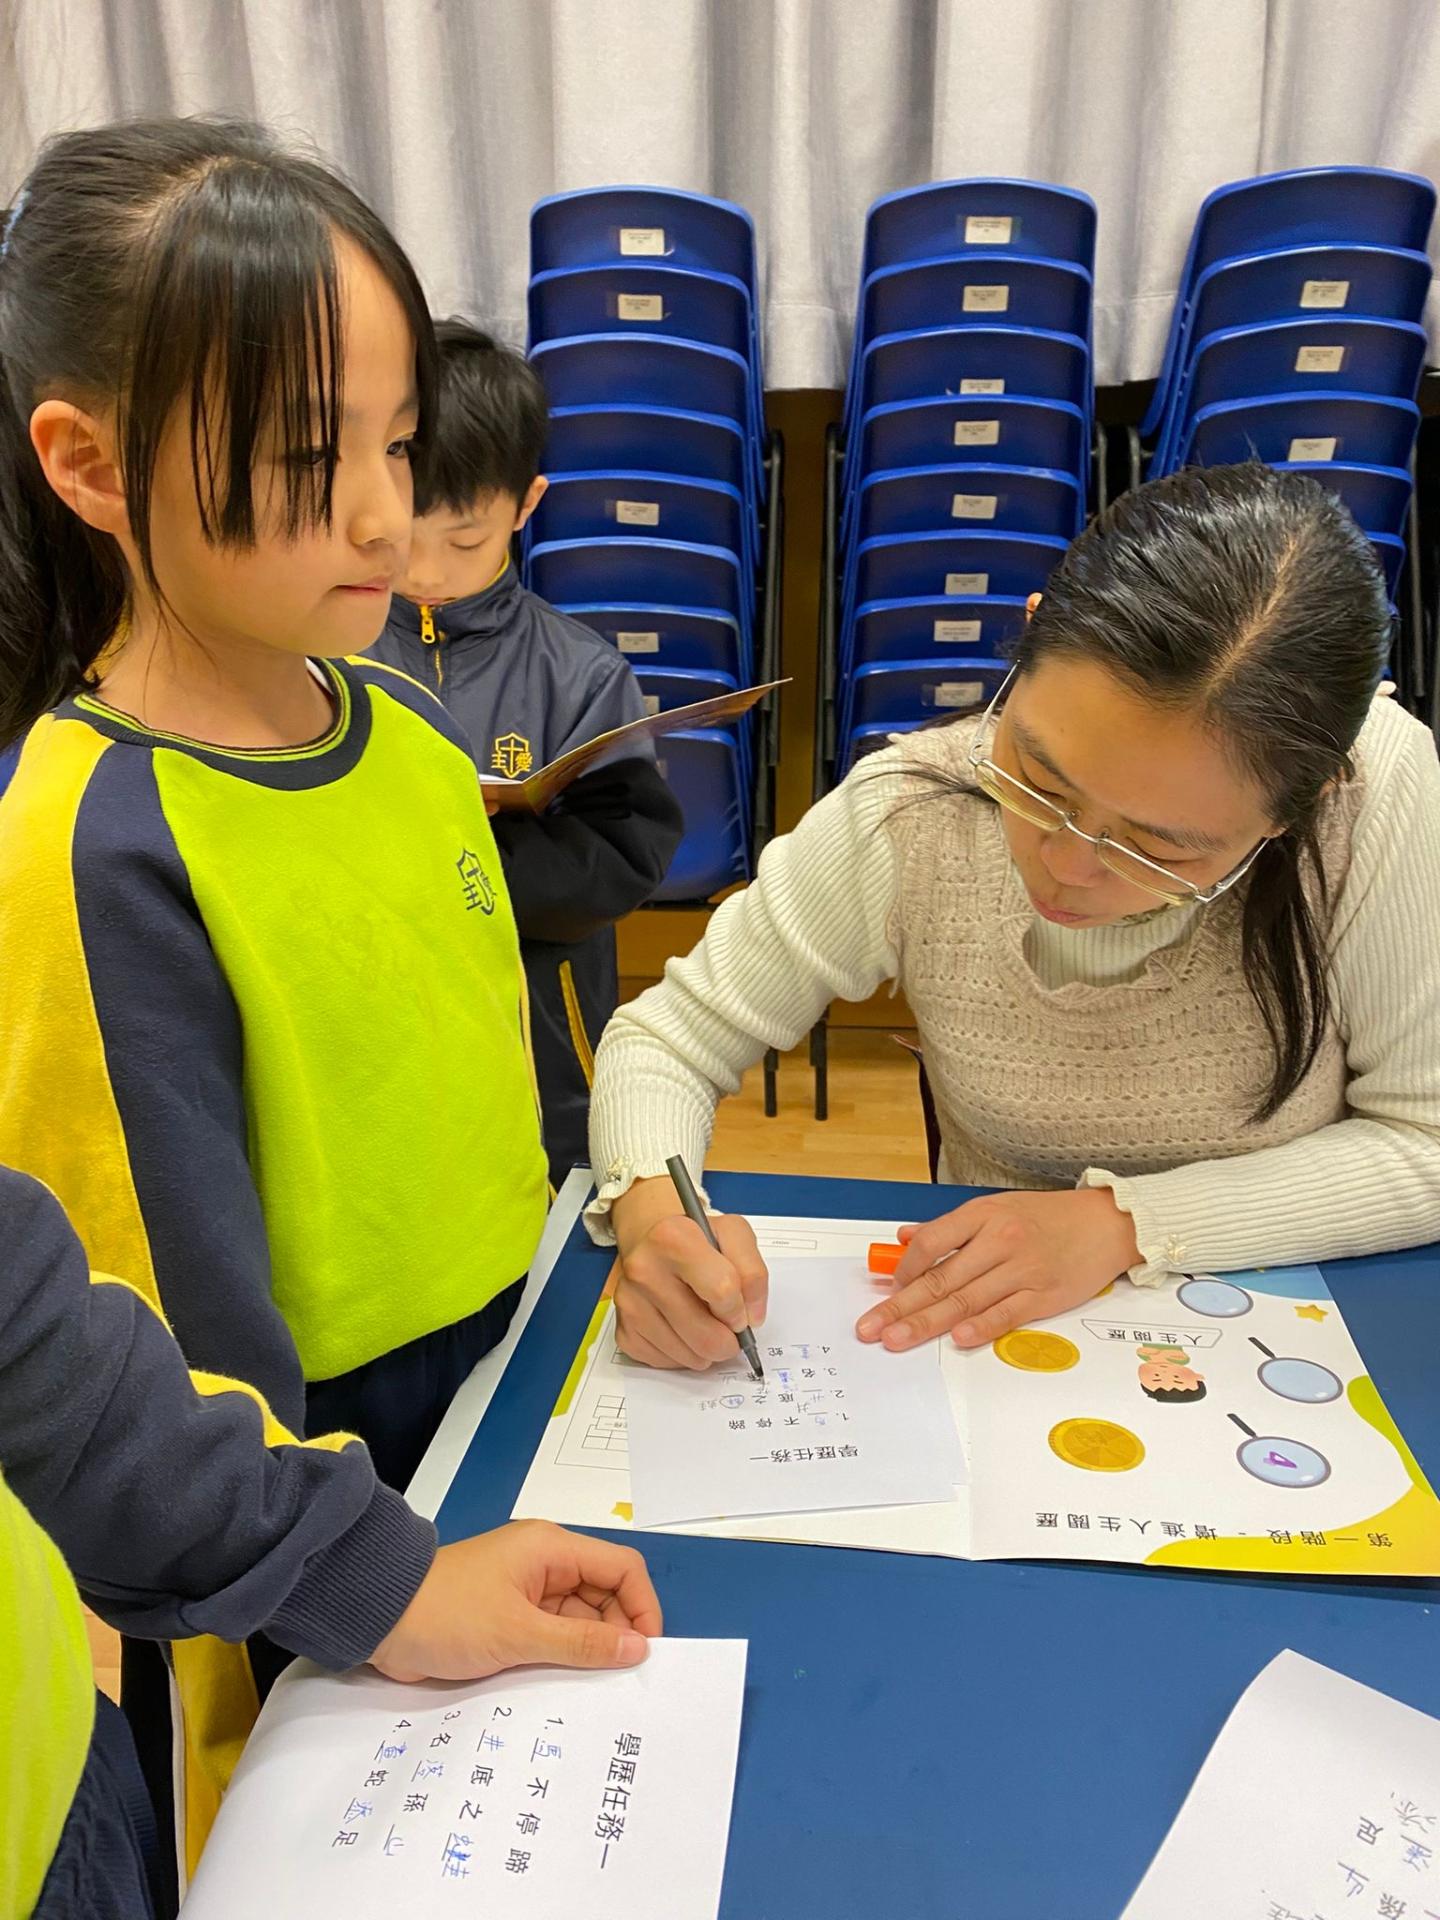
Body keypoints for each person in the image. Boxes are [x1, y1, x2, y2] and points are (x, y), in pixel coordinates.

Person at [0, 113, 548, 1873]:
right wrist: (340, 1571)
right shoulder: (90, 839)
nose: (390, 514)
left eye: (397, 441)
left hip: (520, 1386)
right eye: (313, 455)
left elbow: (486, 1059)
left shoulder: (401, 724)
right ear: (91, 466)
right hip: (305, 1515)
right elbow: (146, 1335)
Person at [585, 464, 1440, 1369]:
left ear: (1307, 799)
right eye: (1038, 779)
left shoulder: (1376, 796)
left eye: (1158, 847)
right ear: (1029, 638)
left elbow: (1425, 1141)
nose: (1066, 866)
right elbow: (666, 1042)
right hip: (981, 1355)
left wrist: (1122, 1225)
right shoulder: (917, 805)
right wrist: (655, 1216)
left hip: (1285, 1332)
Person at [0, 1164, 660, 1914]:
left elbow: (28, 1332)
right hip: (305, 1380)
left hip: (51, 1791)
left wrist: (373, 1577)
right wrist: (346, 1567)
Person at [371, 321, 684, 1187]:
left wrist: (460, 865)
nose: (428, 572)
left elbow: (625, 855)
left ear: (526, 503)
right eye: (403, 538)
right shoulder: (323, 657)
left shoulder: (580, 672)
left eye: (466, 541)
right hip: (373, 1010)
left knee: (547, 1204)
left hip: (540, 1029)